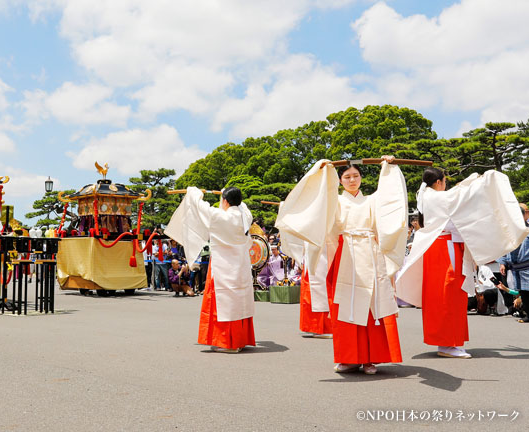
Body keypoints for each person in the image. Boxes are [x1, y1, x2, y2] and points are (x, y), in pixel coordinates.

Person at [277, 157, 408, 375]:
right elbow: (318, 201)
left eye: (356, 176)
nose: (352, 180)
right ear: (340, 180)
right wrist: (321, 171)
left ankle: (370, 359)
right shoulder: (335, 201)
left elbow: (390, 199)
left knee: (370, 309)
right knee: (344, 309)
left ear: (362, 178)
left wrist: (389, 168)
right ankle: (348, 357)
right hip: (345, 254)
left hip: (370, 254)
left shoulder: (372, 201)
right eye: (347, 177)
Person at [397, 168, 528, 358]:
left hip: (441, 248)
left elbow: (456, 194)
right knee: (449, 296)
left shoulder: (426, 195)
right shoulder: (438, 198)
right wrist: (482, 179)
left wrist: (469, 181)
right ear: (439, 183)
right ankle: (447, 344)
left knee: (445, 296)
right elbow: (461, 196)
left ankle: (449, 342)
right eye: (445, 181)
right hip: (446, 249)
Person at [165, 186, 255, 353]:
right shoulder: (245, 217)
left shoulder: (220, 216)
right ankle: (239, 340)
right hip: (241, 268)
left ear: (226, 201)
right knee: (239, 303)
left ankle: (229, 343)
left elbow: (200, 207)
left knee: (225, 304)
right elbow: (243, 207)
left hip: (224, 267)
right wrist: (226, 193)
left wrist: (193, 192)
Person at [498, 203, 529, 323]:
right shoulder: (508, 231)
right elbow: (504, 248)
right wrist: (502, 262)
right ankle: (528, 314)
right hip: (515, 267)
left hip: (527, 265)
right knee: (523, 292)